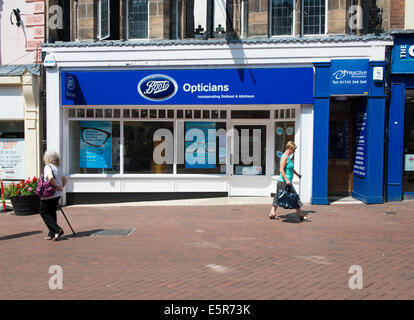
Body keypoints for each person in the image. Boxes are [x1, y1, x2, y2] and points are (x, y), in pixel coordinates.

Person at [269, 141, 309, 221]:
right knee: (294, 197)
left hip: (285, 182)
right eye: (293, 150)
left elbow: (290, 168)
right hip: (284, 182)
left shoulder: (288, 157)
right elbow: (281, 170)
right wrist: (287, 180)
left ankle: (272, 213)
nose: (294, 152)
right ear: (289, 148)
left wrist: (297, 174)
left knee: (278, 197)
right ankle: (301, 215)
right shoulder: (284, 157)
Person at [40, 150, 67, 241]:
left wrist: (56, 186)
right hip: (57, 194)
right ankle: (52, 233)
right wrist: (61, 187)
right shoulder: (58, 167)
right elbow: (64, 179)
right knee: (52, 212)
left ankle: (57, 229)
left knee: (43, 212)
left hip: (48, 194)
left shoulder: (48, 167)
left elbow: (50, 178)